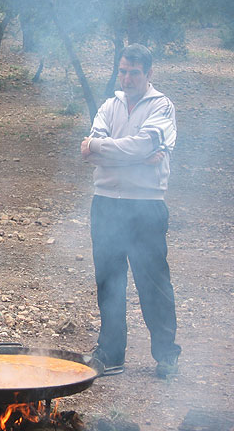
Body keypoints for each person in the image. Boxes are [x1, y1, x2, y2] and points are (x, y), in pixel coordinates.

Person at [81, 43, 181, 378]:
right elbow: (92, 150)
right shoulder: (110, 105)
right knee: (109, 281)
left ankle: (166, 355)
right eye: (123, 71)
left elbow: (142, 143)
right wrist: (133, 152)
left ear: (149, 74)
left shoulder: (162, 106)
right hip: (106, 202)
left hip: (146, 204)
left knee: (153, 281)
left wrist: (102, 148)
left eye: (134, 72)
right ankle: (111, 353)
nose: (126, 78)